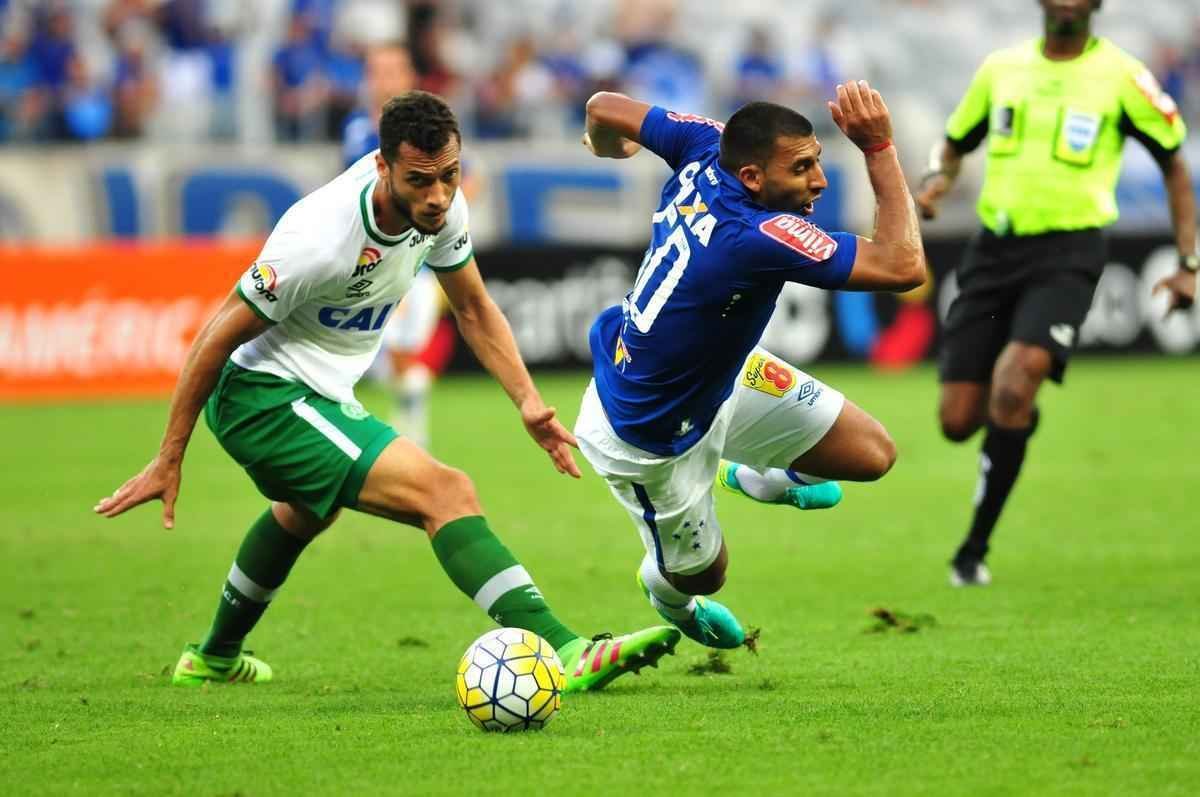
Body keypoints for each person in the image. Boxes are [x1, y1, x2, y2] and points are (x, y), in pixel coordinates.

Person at [94, 91, 680, 690]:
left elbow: (473, 307)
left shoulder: (442, 208)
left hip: (317, 391)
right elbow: (214, 338)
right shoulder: (319, 240)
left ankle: (214, 658)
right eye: (419, 180)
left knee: (305, 512)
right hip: (260, 395)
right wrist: (169, 456)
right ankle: (567, 650)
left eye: (449, 175)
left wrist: (528, 401)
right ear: (382, 167)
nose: (438, 195)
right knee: (446, 492)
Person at [574, 81, 926, 649]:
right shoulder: (755, 237)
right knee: (704, 576)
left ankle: (755, 477)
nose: (819, 180)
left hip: (723, 372)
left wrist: (607, 145)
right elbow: (903, 266)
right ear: (753, 177)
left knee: (871, 454)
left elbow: (602, 107)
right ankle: (668, 598)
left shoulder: (706, 142)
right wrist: (879, 148)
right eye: (802, 168)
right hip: (650, 429)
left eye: (817, 160)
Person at [915, 0, 1196, 587]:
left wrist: (1189, 262)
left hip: (1068, 252)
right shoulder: (1001, 69)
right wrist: (937, 178)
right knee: (957, 420)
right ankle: (1017, 415)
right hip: (993, 251)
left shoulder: (1123, 76)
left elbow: (1174, 163)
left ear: (1097, 4)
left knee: (1014, 383)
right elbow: (953, 142)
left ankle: (972, 550)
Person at [343, 41, 455, 449]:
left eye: (392, 70)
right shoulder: (356, 128)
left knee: (395, 357)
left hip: (410, 265)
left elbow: (469, 176)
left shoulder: (425, 130)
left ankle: (408, 444)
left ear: (409, 76)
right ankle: (409, 435)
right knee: (389, 365)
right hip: (365, 263)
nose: (384, 80)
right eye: (377, 71)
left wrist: (437, 222)